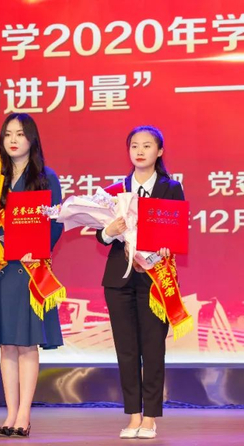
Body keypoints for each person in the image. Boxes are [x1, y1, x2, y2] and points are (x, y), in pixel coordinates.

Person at [0, 113, 64, 438]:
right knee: (6, 344)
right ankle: (10, 414)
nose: (13, 140)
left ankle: (24, 415)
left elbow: (56, 223)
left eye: (20, 134)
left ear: (31, 139)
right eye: (8, 134)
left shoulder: (46, 178)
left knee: (25, 342)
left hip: (28, 269)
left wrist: (38, 248)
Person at [97, 125, 184, 440]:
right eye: (134, 145)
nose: (140, 151)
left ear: (159, 152)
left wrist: (167, 246)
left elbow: (176, 231)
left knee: (153, 349)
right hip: (118, 280)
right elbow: (101, 236)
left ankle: (150, 418)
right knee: (127, 350)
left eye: (147, 145)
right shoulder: (114, 190)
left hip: (154, 280)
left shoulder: (170, 188)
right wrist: (109, 231)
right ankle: (133, 416)